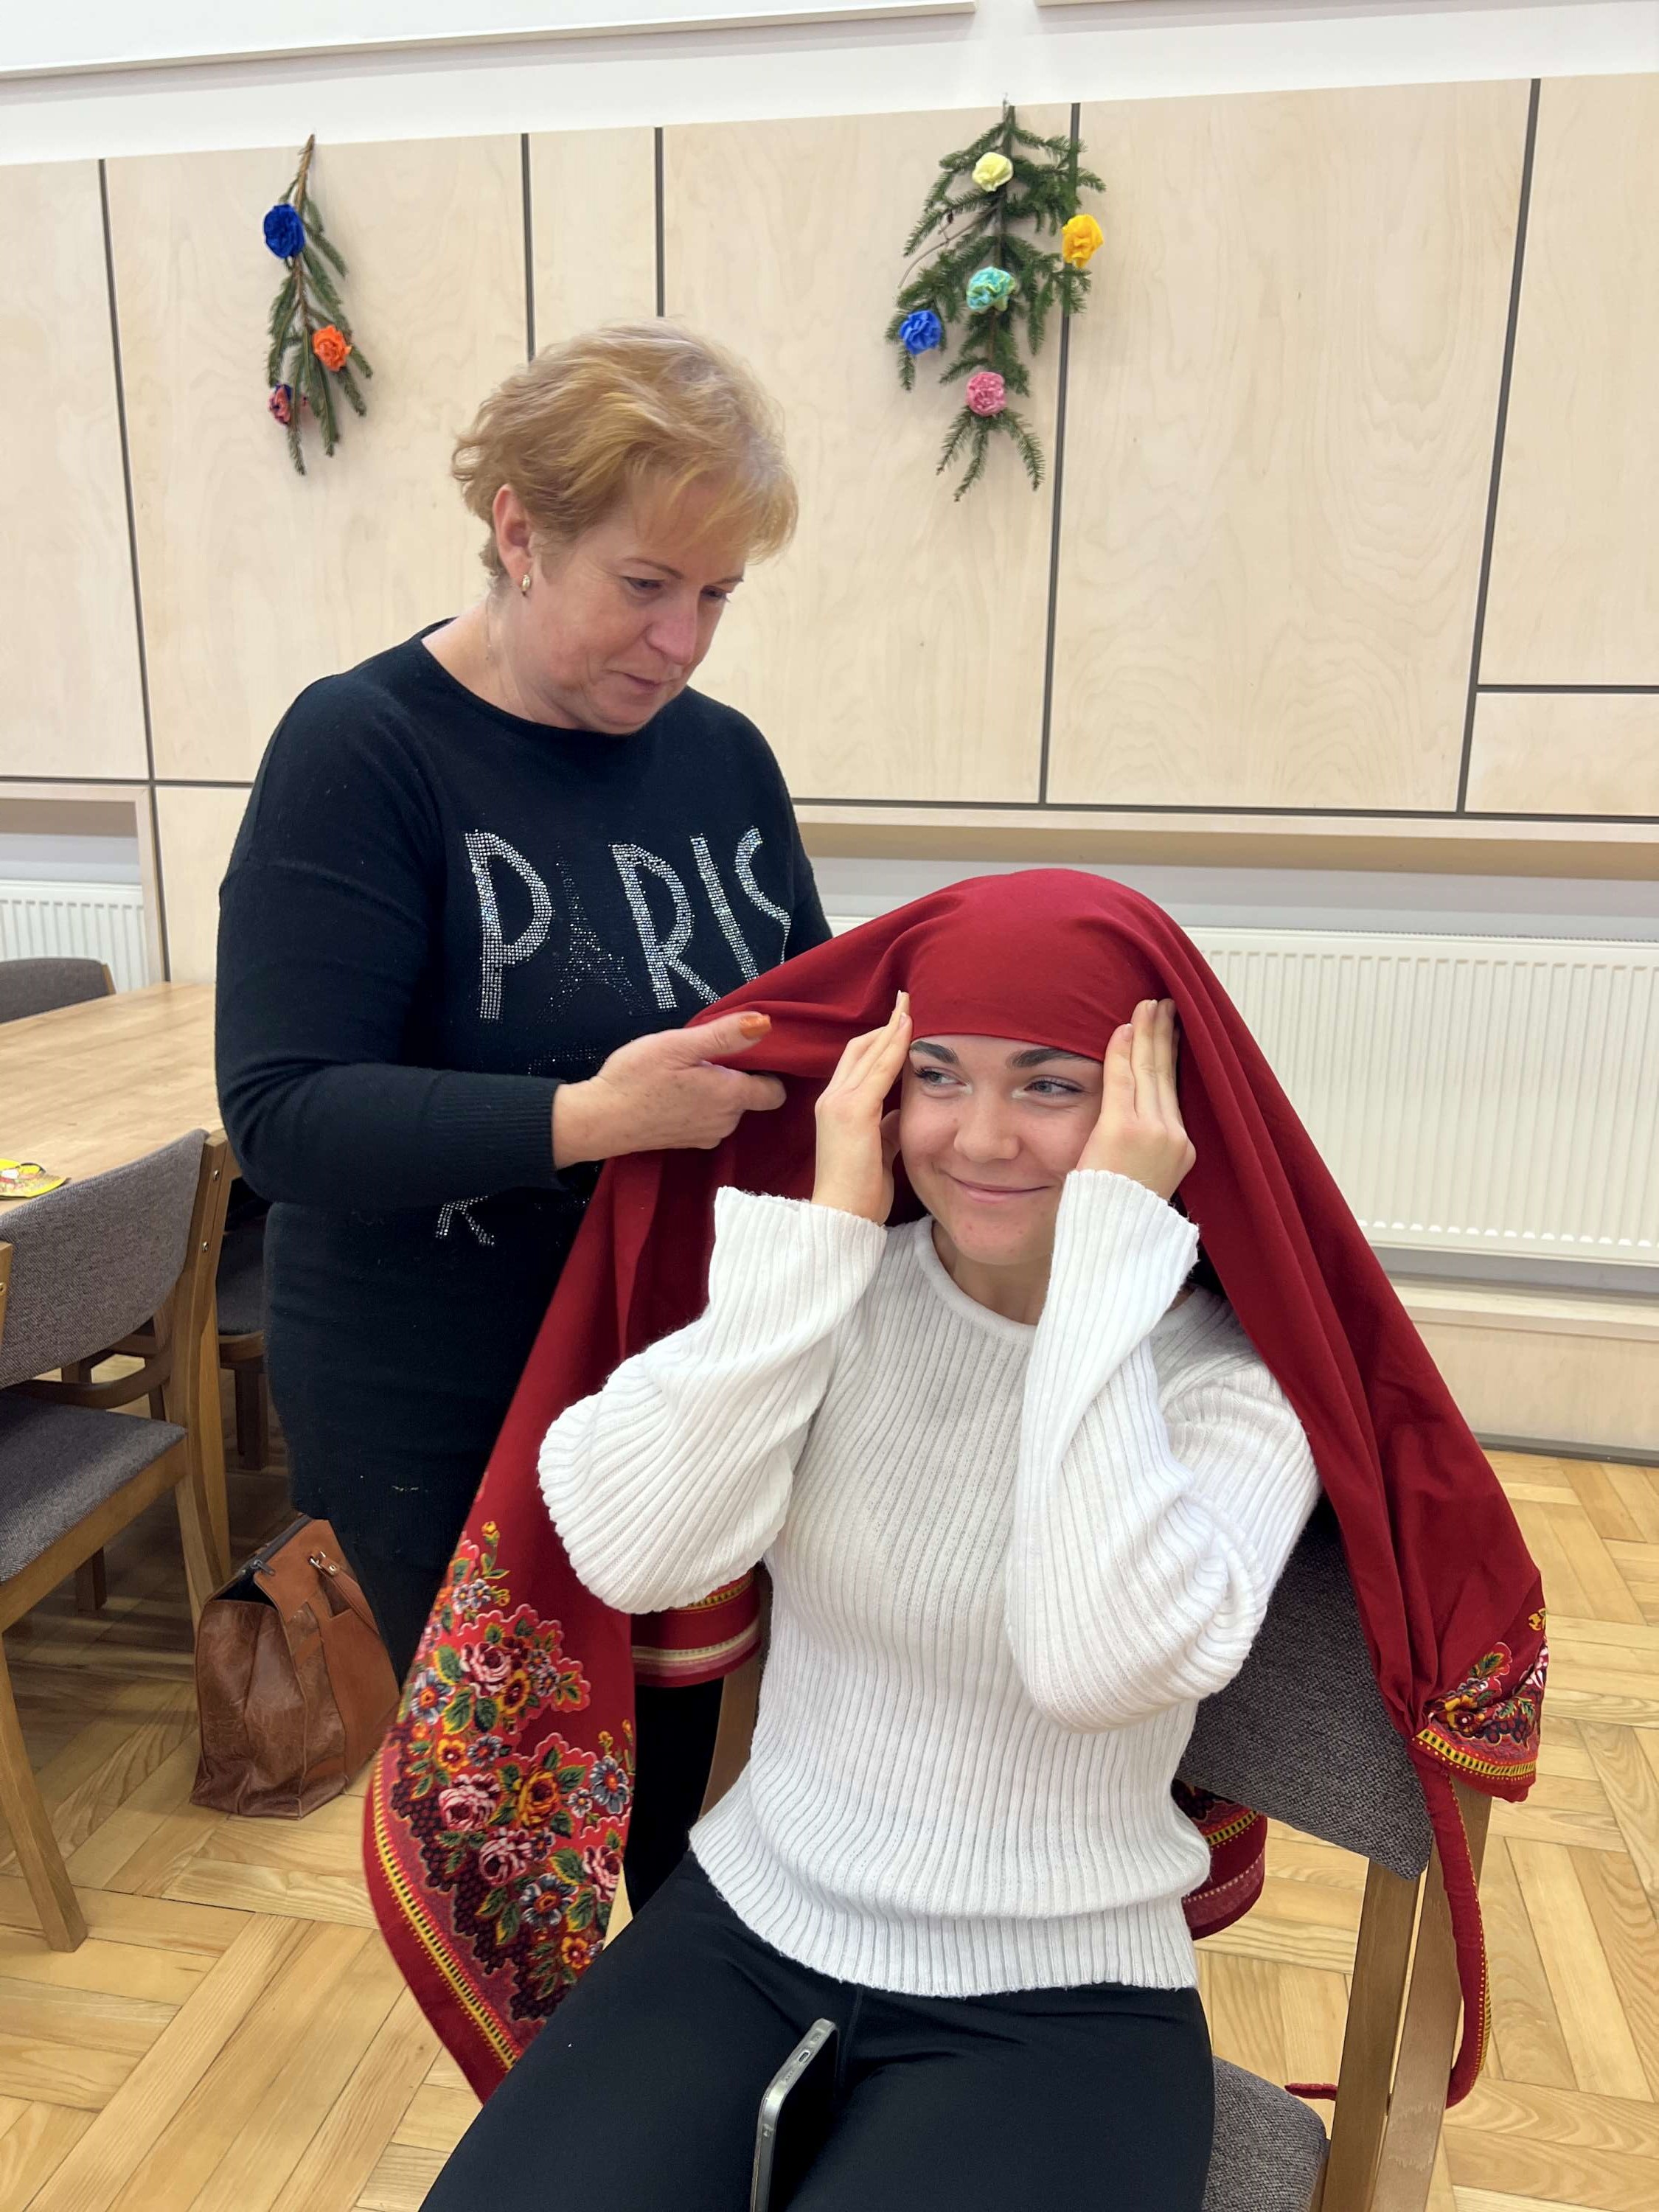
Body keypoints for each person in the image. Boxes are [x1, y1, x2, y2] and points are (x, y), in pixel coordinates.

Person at [383, 873, 1546, 2208]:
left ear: (1156, 1112)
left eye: (1050, 1086)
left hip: (1057, 2003)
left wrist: (1103, 1274)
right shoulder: (832, 1292)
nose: (981, 1137)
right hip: (740, 1926)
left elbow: (1096, 1665)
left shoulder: (1232, 1384)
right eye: (937, 1076)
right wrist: (819, 1241)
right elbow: (637, 1554)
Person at [217, 324, 829, 1905]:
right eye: (645, 585)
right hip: (438, 1400)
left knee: (685, 1810)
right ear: (517, 530)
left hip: (678, 1372)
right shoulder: (363, 748)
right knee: (512, 1839)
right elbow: (285, 1117)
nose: (682, 641)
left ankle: (663, 2041)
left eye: (719, 595)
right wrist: (584, 1119)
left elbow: (803, 1018)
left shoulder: (724, 759)